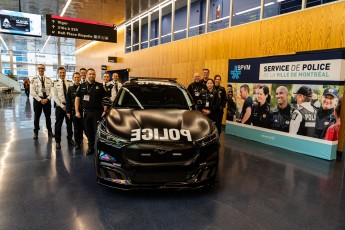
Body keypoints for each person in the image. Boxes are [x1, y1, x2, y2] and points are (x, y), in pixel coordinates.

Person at [75, 68, 108, 155]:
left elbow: (105, 98)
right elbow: (77, 98)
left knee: (96, 131)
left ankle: (97, 148)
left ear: (95, 75)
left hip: (97, 112)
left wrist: (105, 110)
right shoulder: (81, 86)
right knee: (87, 131)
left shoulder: (100, 86)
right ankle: (90, 147)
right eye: (90, 74)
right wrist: (77, 111)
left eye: (93, 74)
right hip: (86, 113)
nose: (91, 75)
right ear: (86, 75)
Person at [52, 67, 75, 149]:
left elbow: (72, 95)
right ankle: (58, 141)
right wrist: (62, 106)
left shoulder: (70, 83)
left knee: (69, 123)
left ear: (65, 73)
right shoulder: (54, 83)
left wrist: (69, 106)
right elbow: (54, 97)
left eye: (63, 72)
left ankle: (70, 139)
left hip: (68, 107)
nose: (62, 74)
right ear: (58, 73)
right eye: (60, 72)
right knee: (58, 124)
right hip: (59, 106)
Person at [30, 64, 54, 140]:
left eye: (42, 68)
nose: (41, 70)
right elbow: (32, 92)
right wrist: (40, 100)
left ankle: (50, 131)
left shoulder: (49, 80)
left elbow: (52, 91)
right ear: (38, 70)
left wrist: (47, 99)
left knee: (48, 117)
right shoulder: (34, 80)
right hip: (38, 100)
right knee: (37, 117)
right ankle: (36, 133)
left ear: (45, 69)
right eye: (39, 68)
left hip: (47, 100)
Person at [66, 72, 83, 149]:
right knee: (76, 128)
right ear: (73, 79)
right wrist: (68, 111)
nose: (77, 79)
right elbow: (68, 101)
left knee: (83, 127)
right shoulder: (70, 89)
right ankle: (77, 143)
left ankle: (81, 139)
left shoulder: (83, 87)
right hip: (74, 111)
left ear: (80, 78)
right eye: (75, 77)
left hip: (83, 111)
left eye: (78, 77)